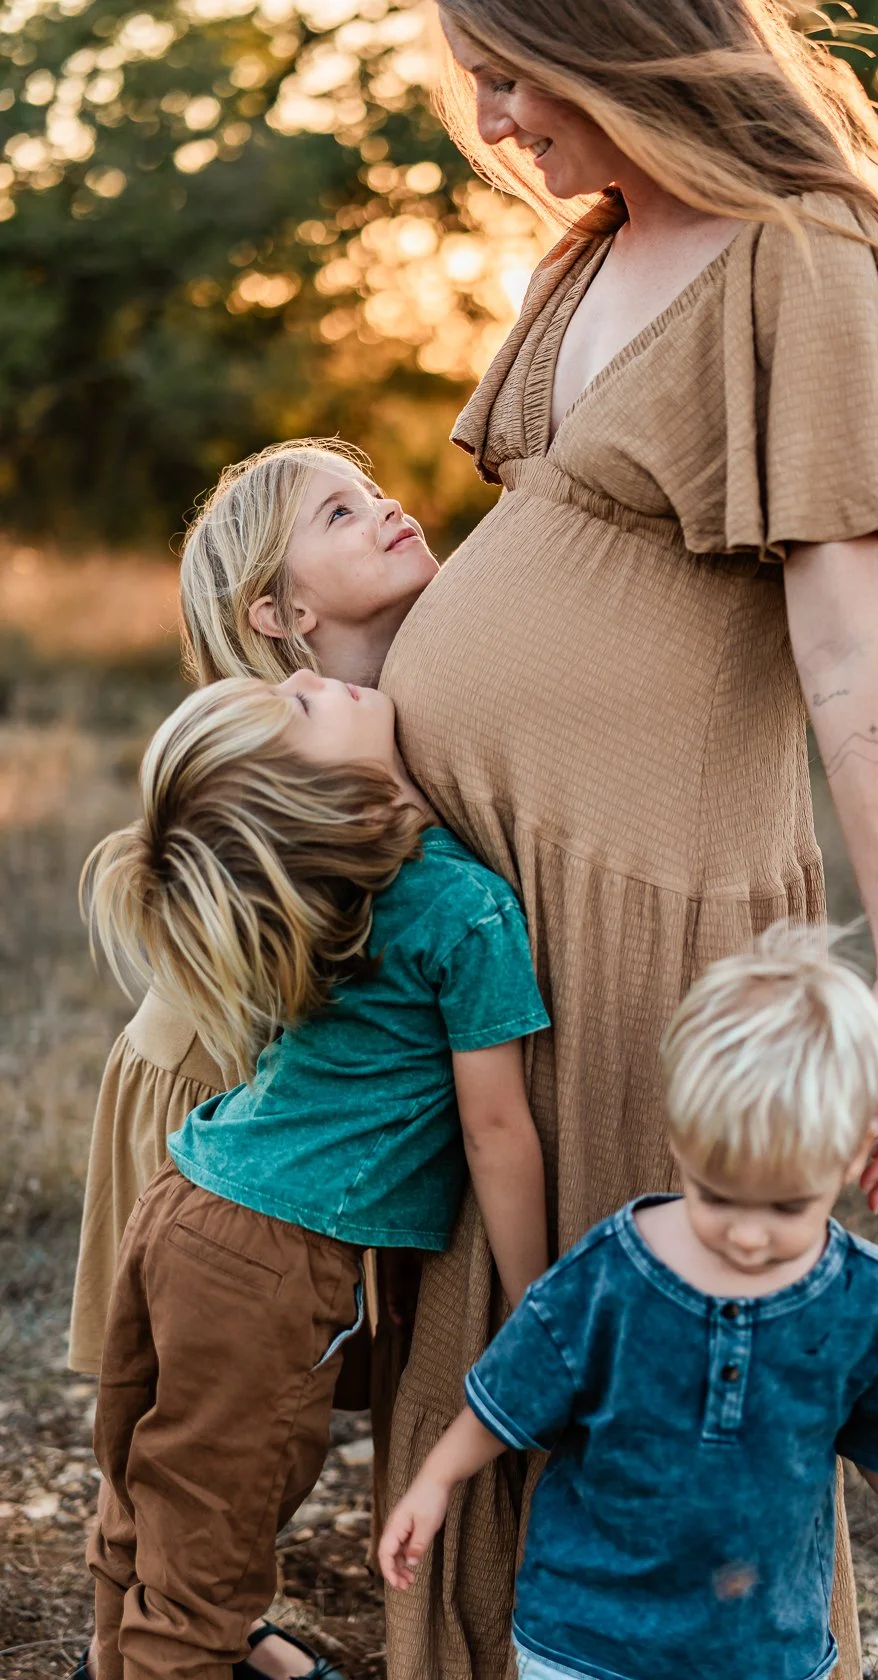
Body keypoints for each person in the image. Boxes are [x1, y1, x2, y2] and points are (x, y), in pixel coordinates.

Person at [375, 4, 878, 1676]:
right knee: (501, 1327)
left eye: (513, 75)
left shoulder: (802, 257)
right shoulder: (593, 251)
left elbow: (850, 647)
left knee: (662, 1355)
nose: (494, 123)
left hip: (642, 904)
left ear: (624, 42)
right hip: (498, 897)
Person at [78, 671, 551, 1680]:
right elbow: (498, 1129)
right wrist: (531, 1296)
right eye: (295, 710)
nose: (303, 676)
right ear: (317, 804)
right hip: (264, 1258)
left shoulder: (322, 901)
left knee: (138, 1511)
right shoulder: (466, 910)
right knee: (207, 1566)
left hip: (183, 1202)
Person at [379, 926, 878, 1680]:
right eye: (719, 1195)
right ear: (681, 1141)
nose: (745, 1234)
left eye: (785, 1208)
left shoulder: (859, 1301)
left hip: (760, 1649)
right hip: (585, 1641)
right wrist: (436, 1481)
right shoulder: (614, 1272)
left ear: (852, 1159)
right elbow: (510, 1393)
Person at [67, 440, 440, 1680]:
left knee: (229, 1417)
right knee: (205, 1417)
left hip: (278, 1122)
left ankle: (210, 1626)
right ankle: (168, 1630)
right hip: (207, 1089)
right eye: (340, 509)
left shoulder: (398, 699)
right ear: (279, 615)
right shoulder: (285, 749)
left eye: (370, 485)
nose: (387, 502)